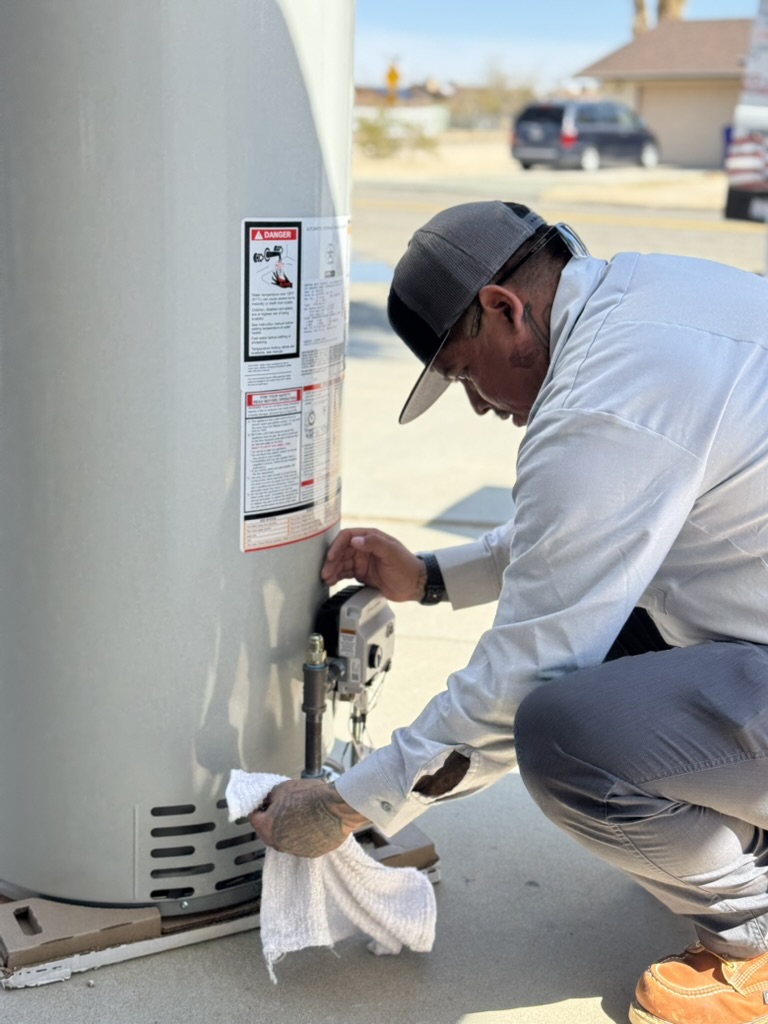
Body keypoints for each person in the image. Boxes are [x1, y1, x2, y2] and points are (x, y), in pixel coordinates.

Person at [250, 200, 768, 1024]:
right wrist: (427, 576)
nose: (479, 405)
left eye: (461, 375)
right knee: (621, 644)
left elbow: (520, 681)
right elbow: (583, 528)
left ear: (502, 309)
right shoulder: (646, 298)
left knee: (562, 731)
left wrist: (346, 804)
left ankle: (756, 931)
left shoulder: (605, 401)